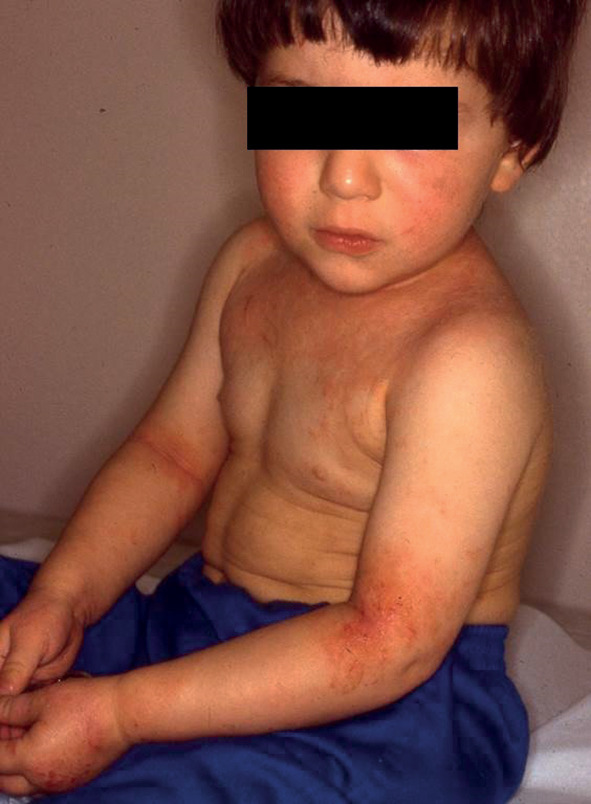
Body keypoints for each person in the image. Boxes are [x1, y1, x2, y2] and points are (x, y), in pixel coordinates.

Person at [0, 0, 586, 801]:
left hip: (384, 707)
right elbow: (170, 456)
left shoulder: (467, 360)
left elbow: (388, 641)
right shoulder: (251, 264)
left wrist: (121, 715)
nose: (343, 176)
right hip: (202, 625)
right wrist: (63, 596)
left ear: (512, 150)